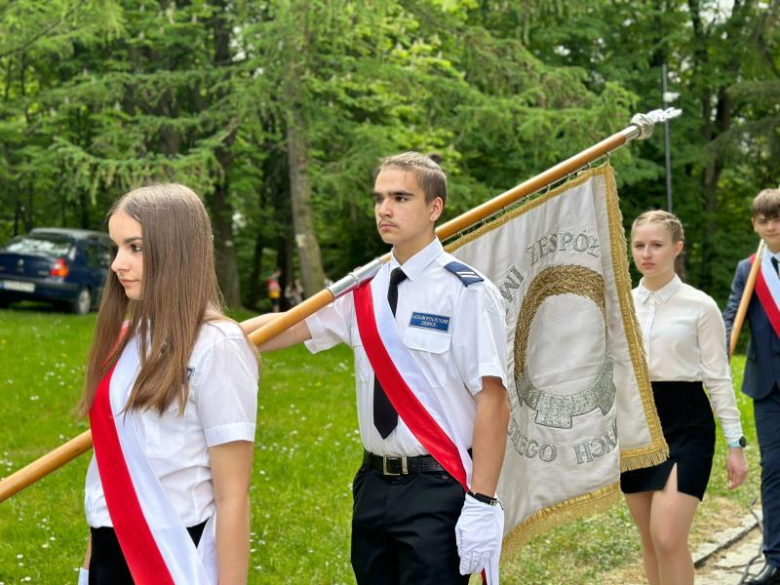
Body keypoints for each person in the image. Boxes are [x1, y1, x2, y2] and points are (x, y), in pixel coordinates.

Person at [243, 152, 509, 584]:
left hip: (438, 486)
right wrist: (208, 338)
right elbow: (285, 326)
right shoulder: (364, 288)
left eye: (401, 197)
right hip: (373, 484)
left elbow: (493, 401)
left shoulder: (466, 293)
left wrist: (482, 500)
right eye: (379, 198)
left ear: (434, 208)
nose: (385, 209)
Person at [77, 184, 259, 585]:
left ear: (177, 250)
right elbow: (110, 466)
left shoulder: (219, 346)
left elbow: (232, 497)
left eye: (135, 248)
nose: (117, 264)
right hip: (109, 551)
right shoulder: (123, 338)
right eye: (117, 248)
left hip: (172, 556)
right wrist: (87, 568)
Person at [621, 210, 748, 585]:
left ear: (677, 248)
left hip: (688, 426)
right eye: (639, 245)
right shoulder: (623, 306)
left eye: (656, 245)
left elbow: (719, 377)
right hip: (637, 428)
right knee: (649, 540)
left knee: (668, 536)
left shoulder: (700, 306)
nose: (647, 253)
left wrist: (735, 443)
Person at [724, 188, 780, 585]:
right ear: (754, 224)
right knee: (775, 469)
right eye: (764, 220)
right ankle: (776, 559)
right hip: (767, 387)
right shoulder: (749, 269)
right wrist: (717, 347)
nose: (771, 225)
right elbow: (731, 315)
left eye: (777, 218)